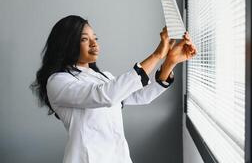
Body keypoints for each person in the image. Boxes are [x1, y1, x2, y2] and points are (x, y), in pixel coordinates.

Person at [30, 15, 197, 163]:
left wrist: (169, 62)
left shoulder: (104, 77)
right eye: (84, 39)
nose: (94, 43)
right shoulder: (58, 81)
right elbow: (106, 96)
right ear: (67, 43)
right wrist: (156, 55)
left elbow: (140, 96)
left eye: (95, 38)